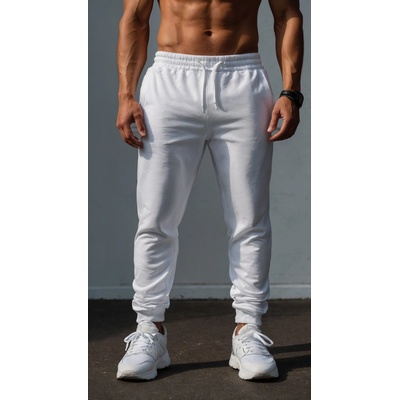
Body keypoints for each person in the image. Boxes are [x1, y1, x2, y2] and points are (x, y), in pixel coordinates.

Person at [115, 0, 304, 381]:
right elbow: (135, 17)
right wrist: (126, 94)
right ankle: (149, 329)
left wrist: (291, 92)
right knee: (155, 217)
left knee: (250, 218)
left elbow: (287, 15)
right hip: (170, 79)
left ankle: (247, 329)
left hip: (242, 78)